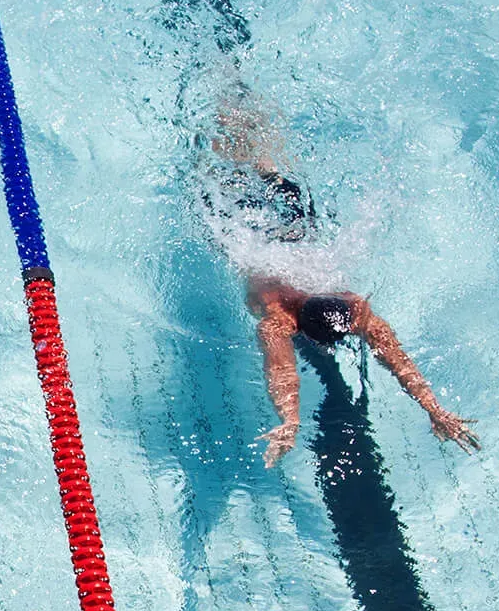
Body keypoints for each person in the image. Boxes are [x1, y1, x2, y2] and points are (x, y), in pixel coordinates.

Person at [204, 92, 481, 467]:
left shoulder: (352, 308)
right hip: (253, 221)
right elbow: (280, 367)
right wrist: (290, 419)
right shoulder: (280, 318)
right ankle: (230, 95)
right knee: (236, 161)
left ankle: (234, 93)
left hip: (284, 222)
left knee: (262, 163)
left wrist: (436, 408)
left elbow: (394, 357)